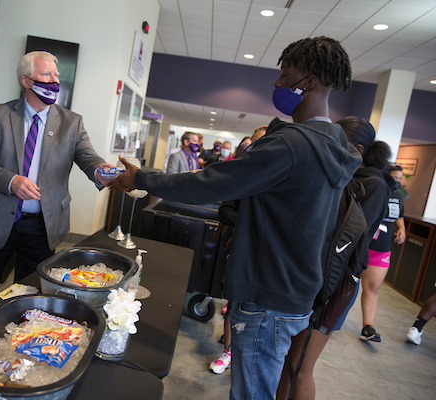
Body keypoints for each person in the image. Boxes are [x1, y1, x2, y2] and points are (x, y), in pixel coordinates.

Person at [110, 36, 360, 399]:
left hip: (267, 294)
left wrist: (141, 178)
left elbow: (209, 183)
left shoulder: (292, 145)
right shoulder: (336, 143)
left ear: (309, 82)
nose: (276, 84)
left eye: (285, 75)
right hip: (296, 291)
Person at [0, 51, 114, 325]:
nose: (55, 80)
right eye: (46, 74)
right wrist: (11, 181)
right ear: (26, 81)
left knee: (31, 298)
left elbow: (88, 156)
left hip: (42, 227)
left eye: (56, 75)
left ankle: (15, 350)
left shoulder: (71, 122)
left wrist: (103, 171)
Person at [276, 116, 395, 400]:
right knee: (288, 363)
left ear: (358, 148)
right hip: (317, 277)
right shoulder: (349, 176)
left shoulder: (374, 185)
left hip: (334, 282)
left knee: (300, 366)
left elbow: (343, 238)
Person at [210, 128, 268, 375]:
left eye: (261, 142)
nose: (255, 146)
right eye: (252, 142)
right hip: (241, 250)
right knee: (234, 303)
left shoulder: (280, 177)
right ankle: (228, 351)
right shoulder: (241, 174)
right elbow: (225, 211)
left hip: (269, 258)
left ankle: (247, 355)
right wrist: (249, 225)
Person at [359, 163, 406, 342]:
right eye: (395, 178)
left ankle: (367, 327)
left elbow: (399, 216)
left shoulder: (398, 196)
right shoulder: (375, 188)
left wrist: (402, 229)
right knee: (349, 285)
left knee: (373, 288)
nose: (397, 182)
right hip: (364, 244)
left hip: (382, 247)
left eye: (400, 179)